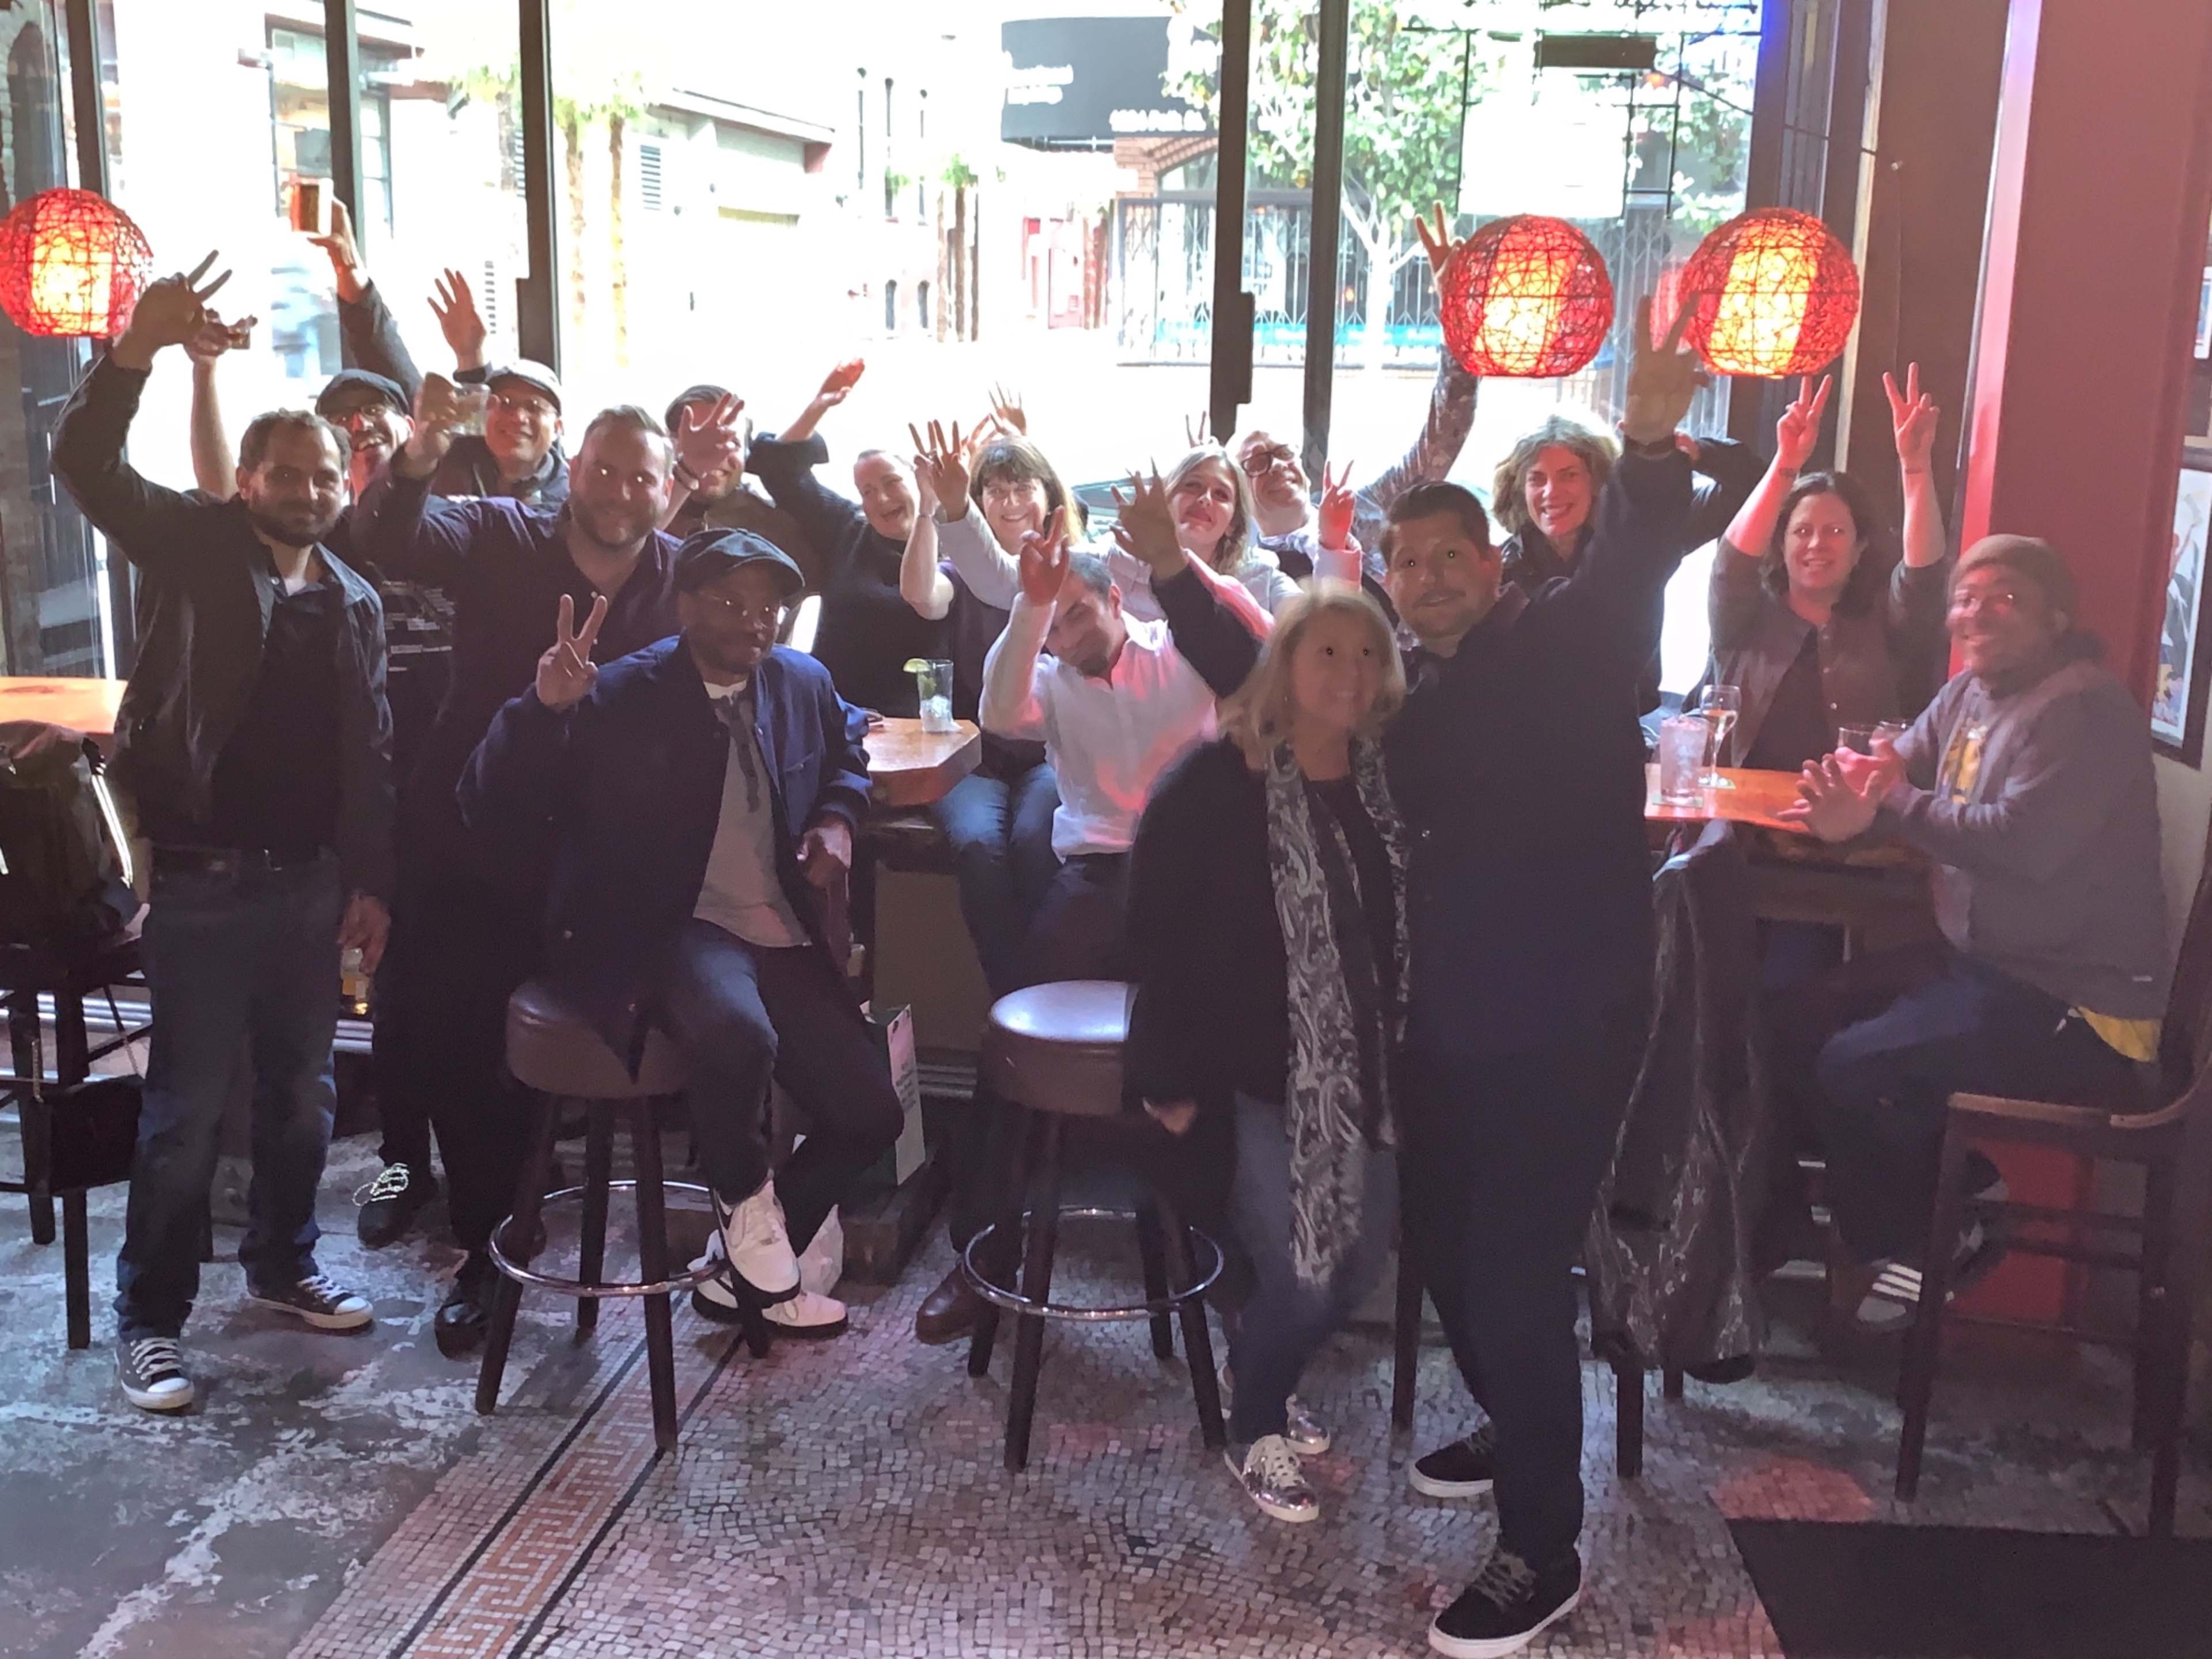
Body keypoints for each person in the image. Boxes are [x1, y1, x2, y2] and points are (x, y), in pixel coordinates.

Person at [1163, 298, 1700, 1656]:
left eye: (1448, 555)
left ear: (1494, 561)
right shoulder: (1409, 694)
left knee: (1513, 1281)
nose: (1425, 576)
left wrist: (1643, 436)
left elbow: (1633, 567)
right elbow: (1299, 676)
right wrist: (1184, 601)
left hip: (1560, 1028)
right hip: (1442, 1035)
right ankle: (1512, 1417)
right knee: (1454, 1263)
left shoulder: (1565, 646)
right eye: (1403, 561)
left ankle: (1541, 1544)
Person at [52, 256, 395, 1414]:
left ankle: (284, 1262)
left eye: (322, 475)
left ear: (343, 488)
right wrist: (133, 355)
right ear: (246, 482)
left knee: (303, 1095)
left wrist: (371, 884)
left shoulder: (353, 597)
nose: (306, 489)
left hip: (310, 892)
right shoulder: (201, 553)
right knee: (186, 1113)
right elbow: (86, 468)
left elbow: (373, 758)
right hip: (201, 891)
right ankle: (152, 1320)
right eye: (284, 473)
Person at [353, 388, 729, 1351]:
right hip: (469, 833)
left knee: (592, 1034)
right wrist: (419, 453)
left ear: (667, 489)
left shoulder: (684, 578)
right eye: (602, 470)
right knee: (461, 1046)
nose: (618, 489)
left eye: (640, 475)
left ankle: (612, 1222)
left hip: (604, 857)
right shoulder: (496, 531)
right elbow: (391, 539)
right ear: (575, 471)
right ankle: (489, 1246)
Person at [460, 532, 902, 1333]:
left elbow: (848, 746)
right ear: (685, 605)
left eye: (770, 606)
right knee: (737, 1035)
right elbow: (491, 801)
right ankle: (747, 1214)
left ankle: (743, 1268)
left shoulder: (799, 681)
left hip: (778, 929)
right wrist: (541, 710)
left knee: (872, 1114)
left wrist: (838, 817)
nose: (754, 623)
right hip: (668, 927)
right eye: (732, 603)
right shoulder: (625, 692)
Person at [1778, 535, 2166, 1333]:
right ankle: (1958, 1191)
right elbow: (1894, 767)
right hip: (1987, 971)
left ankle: (1927, 1240)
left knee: (1854, 1067)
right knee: (1791, 1017)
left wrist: (1886, 801)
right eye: (1966, 595)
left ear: (2056, 617)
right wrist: (1848, 795)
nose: (1977, 610)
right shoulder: (1969, 695)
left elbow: (2020, 843)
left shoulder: (2082, 708)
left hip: (2080, 1009)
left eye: (2007, 597)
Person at [1128, 584, 1411, 1526]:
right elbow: (1155, 936)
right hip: (1247, 1070)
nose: (1349, 673)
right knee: (1300, 1274)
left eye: (1366, 655)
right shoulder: (1218, 781)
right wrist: (1165, 1077)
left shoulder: (1382, 780)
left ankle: (1266, 1364)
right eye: (1326, 652)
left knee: (1362, 1257)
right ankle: (1255, 1424)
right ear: (1283, 665)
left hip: (1365, 1070)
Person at [898, 431, 1066, 1343]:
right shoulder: (978, 576)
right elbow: (927, 587)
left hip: (1053, 767)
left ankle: (1022, 1012)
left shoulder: (1075, 579)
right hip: (974, 756)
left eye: (1020, 487)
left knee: (1039, 841)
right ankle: (1018, 1005)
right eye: (993, 490)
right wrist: (939, 506)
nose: (1007, 501)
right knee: (977, 847)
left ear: (1049, 498)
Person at [978, 477, 1260, 988]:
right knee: (1037, 988)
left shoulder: (1179, 651)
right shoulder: (1049, 683)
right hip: (1098, 869)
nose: (1068, 638)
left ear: (1114, 599)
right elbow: (998, 715)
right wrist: (1033, 606)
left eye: (1079, 614)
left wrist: (1173, 555)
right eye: (1053, 630)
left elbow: (1259, 638)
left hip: (1194, 860)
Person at [1707, 368, 1953, 771]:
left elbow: (1924, 576)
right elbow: (1731, 565)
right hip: (1743, 825)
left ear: (1859, 550)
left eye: (1836, 531)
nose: (1817, 544)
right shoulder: (1744, 618)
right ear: (1781, 545)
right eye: (1802, 531)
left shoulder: (1882, 621)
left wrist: (1916, 465)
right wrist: (1787, 463)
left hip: (1854, 827)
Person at [1235, 204, 1482, 573]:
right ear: (1237, 490)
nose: (1278, 466)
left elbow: (1443, 438)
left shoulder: (1362, 509)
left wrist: (1456, 315)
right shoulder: (1239, 566)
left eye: (1284, 451)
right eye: (1257, 461)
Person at [1491, 410, 1762, 715]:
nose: (1551, 492)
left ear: (1599, 481)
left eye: (1569, 475)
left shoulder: (1644, 540)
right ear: (1520, 489)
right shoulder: (1499, 570)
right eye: (1537, 479)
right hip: (1532, 732)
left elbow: (1753, 489)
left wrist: (1699, 453)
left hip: (1632, 723)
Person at [746, 359, 948, 714]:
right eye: (867, 491)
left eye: (891, 483)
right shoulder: (849, 528)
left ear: (919, 480)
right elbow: (777, 469)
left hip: (919, 721)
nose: (881, 499)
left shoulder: (952, 542)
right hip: (835, 711)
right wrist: (818, 406)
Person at [660, 384, 820, 585]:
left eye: (733, 442)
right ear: (667, 443)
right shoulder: (636, 499)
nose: (714, 451)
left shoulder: (770, 527)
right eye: (702, 436)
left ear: (746, 455)